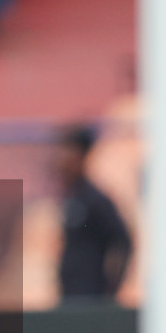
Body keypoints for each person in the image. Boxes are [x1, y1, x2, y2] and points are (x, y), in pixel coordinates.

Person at [55, 126, 131, 300]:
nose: (62, 160)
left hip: (90, 295)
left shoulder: (95, 199)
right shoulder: (72, 196)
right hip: (69, 294)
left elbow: (122, 241)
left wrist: (112, 289)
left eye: (69, 153)